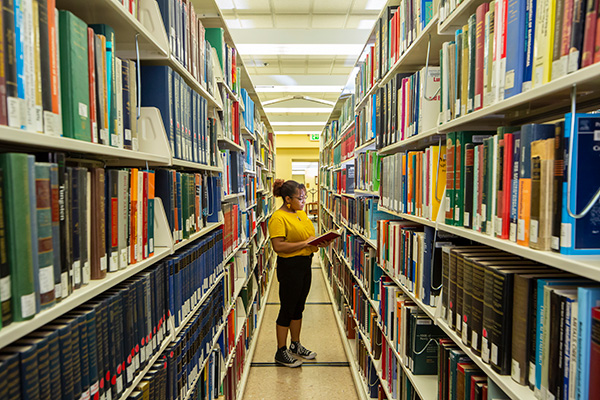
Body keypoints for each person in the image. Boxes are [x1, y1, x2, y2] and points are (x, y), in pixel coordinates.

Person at [268, 179, 331, 367]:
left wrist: (320, 242)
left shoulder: (301, 214)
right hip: (289, 267)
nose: (304, 201)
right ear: (288, 199)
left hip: (305, 264)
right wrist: (305, 244)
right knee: (287, 308)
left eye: (304, 197)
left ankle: (295, 345)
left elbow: (308, 238)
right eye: (300, 198)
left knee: (299, 307)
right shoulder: (278, 218)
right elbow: (278, 245)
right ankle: (281, 351)